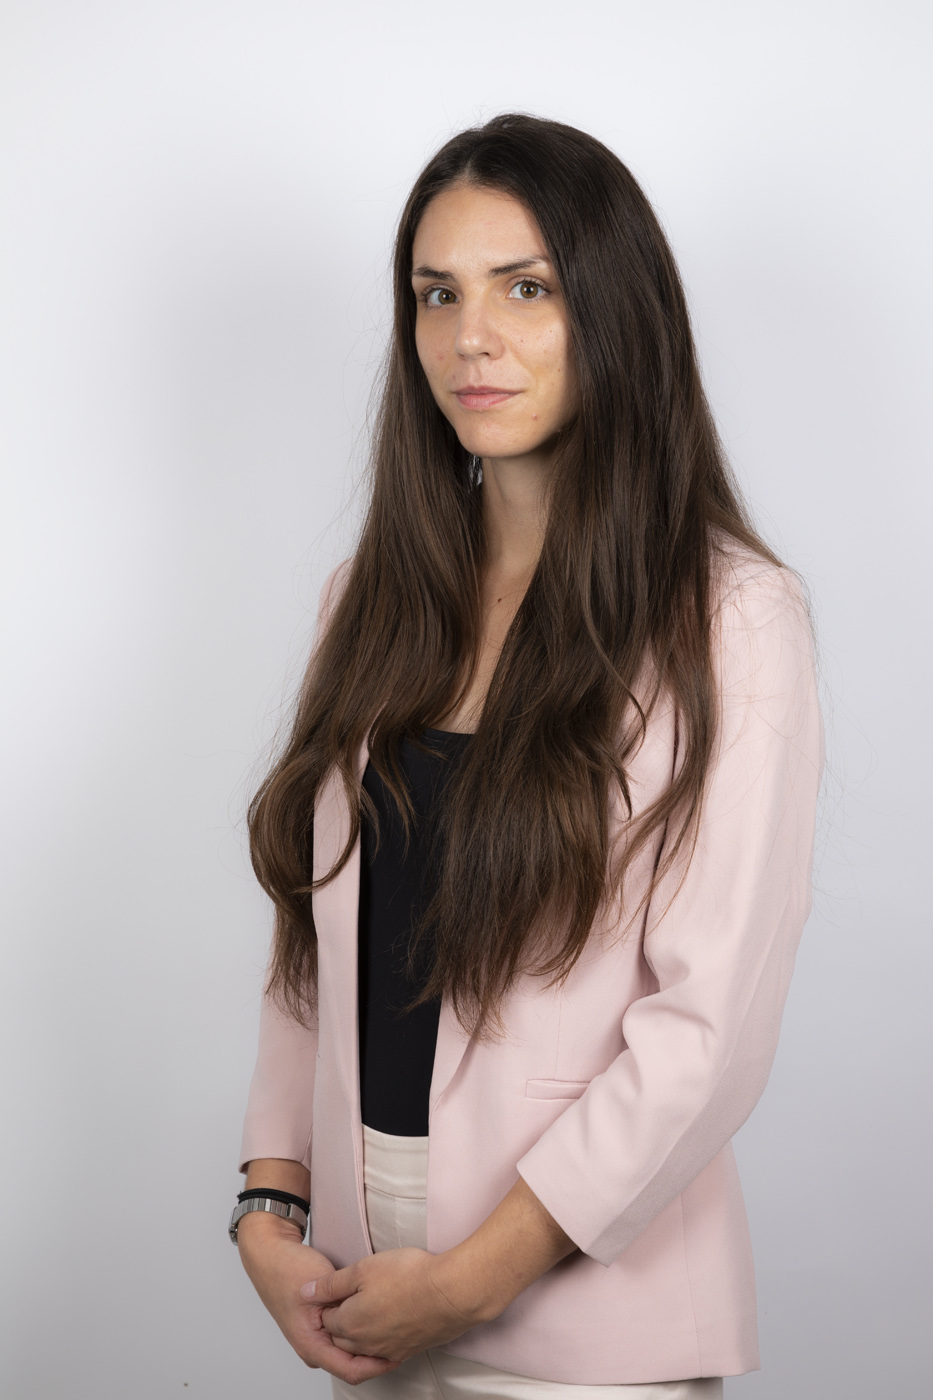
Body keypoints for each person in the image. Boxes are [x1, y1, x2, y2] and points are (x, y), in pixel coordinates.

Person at [230, 114, 823, 1398]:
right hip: (362, 1277)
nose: (470, 337)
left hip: (584, 1308)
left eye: (526, 288)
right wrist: (269, 1205)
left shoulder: (730, 619)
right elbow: (316, 937)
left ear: (615, 312)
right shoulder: (369, 599)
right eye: (437, 293)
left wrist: (478, 1274)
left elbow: (707, 1029)